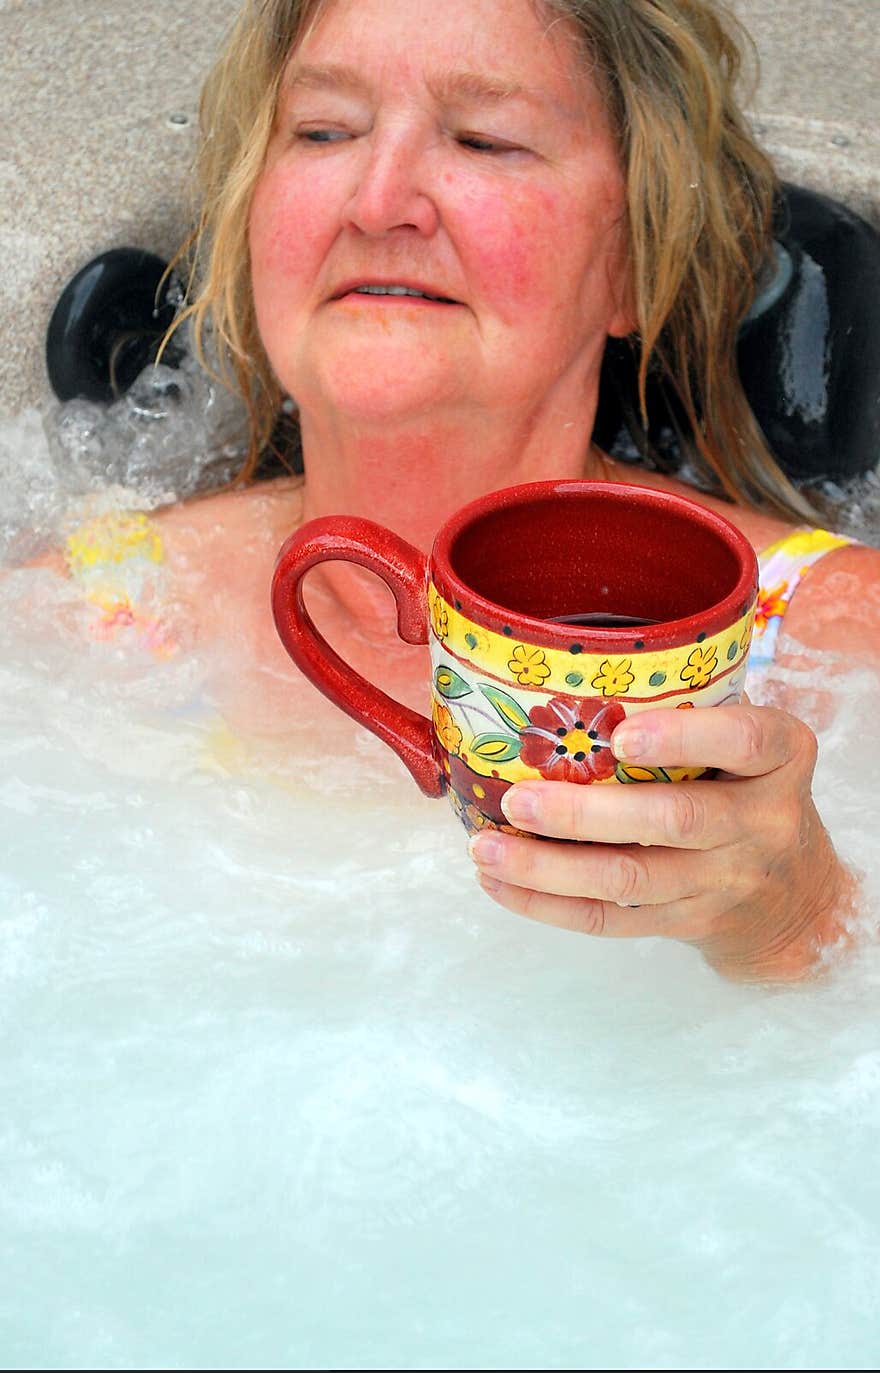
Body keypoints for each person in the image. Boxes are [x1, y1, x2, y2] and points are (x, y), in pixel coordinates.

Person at [54, 0, 880, 982]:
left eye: (486, 140)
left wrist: (794, 927)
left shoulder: (842, 651)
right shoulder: (81, 621)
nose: (378, 199)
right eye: (323, 132)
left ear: (631, 261)